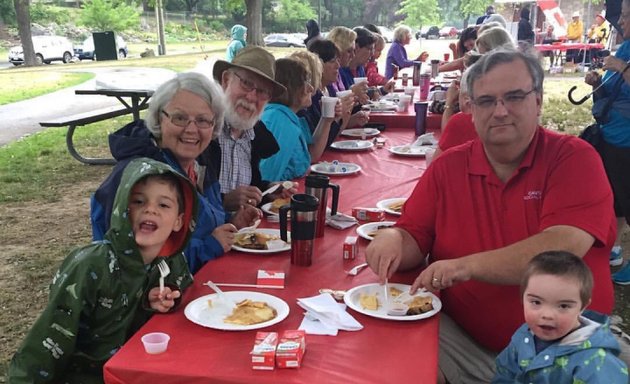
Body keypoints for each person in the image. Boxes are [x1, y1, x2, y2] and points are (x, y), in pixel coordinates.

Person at [366, 48, 616, 383]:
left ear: (538, 102)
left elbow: (559, 251)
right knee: (383, 352)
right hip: (467, 343)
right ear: (470, 109)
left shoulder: (574, 159)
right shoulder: (449, 167)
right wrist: (392, 239)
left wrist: (464, 266)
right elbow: (413, 234)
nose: (500, 111)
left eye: (514, 97)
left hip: (563, 358)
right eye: (485, 101)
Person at [10, 158, 197, 383]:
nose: (150, 209)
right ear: (122, 208)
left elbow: (182, 301)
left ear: (179, 221)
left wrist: (159, 301)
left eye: (163, 205)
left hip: (140, 369)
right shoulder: (91, 264)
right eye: (138, 201)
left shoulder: (170, 261)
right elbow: (50, 336)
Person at [91, 72, 258, 274]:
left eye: (203, 120)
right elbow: (136, 262)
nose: (191, 129)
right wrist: (209, 247)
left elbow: (201, 225)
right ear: (159, 119)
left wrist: (231, 222)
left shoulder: (199, 163)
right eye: (180, 118)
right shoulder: (144, 178)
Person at [493, 251, 628, 383]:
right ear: (523, 299)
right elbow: (505, 373)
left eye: (563, 306)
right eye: (536, 302)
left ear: (583, 306)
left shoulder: (596, 363)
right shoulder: (524, 336)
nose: (547, 315)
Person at [208, 46, 296, 211]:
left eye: (262, 91)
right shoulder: (203, 131)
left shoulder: (254, 137)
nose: (251, 97)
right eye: (246, 83)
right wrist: (223, 201)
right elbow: (180, 199)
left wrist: (267, 191)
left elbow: (246, 190)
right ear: (226, 80)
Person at [585, 0, 630, 285]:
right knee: (615, 197)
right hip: (611, 135)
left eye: (626, 16)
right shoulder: (626, 46)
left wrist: (623, 68)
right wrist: (596, 81)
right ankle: (613, 248)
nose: (621, 22)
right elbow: (614, 89)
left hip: (627, 140)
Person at [259, 57, 335, 181]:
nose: (311, 88)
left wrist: (327, 119)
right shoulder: (278, 121)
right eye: (305, 82)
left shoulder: (288, 116)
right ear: (290, 87)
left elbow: (311, 155)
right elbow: (267, 178)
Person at [301, 39, 356, 147]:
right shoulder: (311, 97)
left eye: (338, 61)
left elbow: (336, 133)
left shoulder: (329, 89)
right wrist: (337, 117)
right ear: (319, 65)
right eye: (332, 61)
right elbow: (319, 145)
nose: (338, 66)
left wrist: (346, 114)